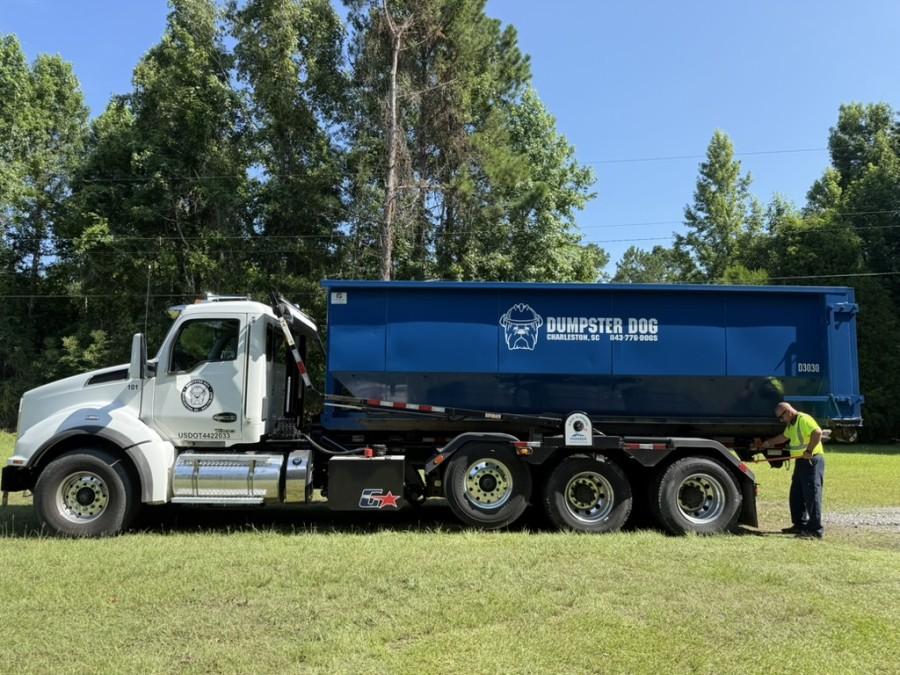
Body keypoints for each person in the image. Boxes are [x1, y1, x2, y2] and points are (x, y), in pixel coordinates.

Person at [761, 402, 825, 539]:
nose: (781, 420)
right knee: (797, 494)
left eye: (781, 417)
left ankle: (815, 530)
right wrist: (768, 443)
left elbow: (818, 432)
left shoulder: (803, 419)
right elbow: (784, 437)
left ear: (788, 412)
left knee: (812, 495)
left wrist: (809, 451)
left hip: (811, 461)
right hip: (801, 461)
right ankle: (800, 525)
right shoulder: (792, 424)